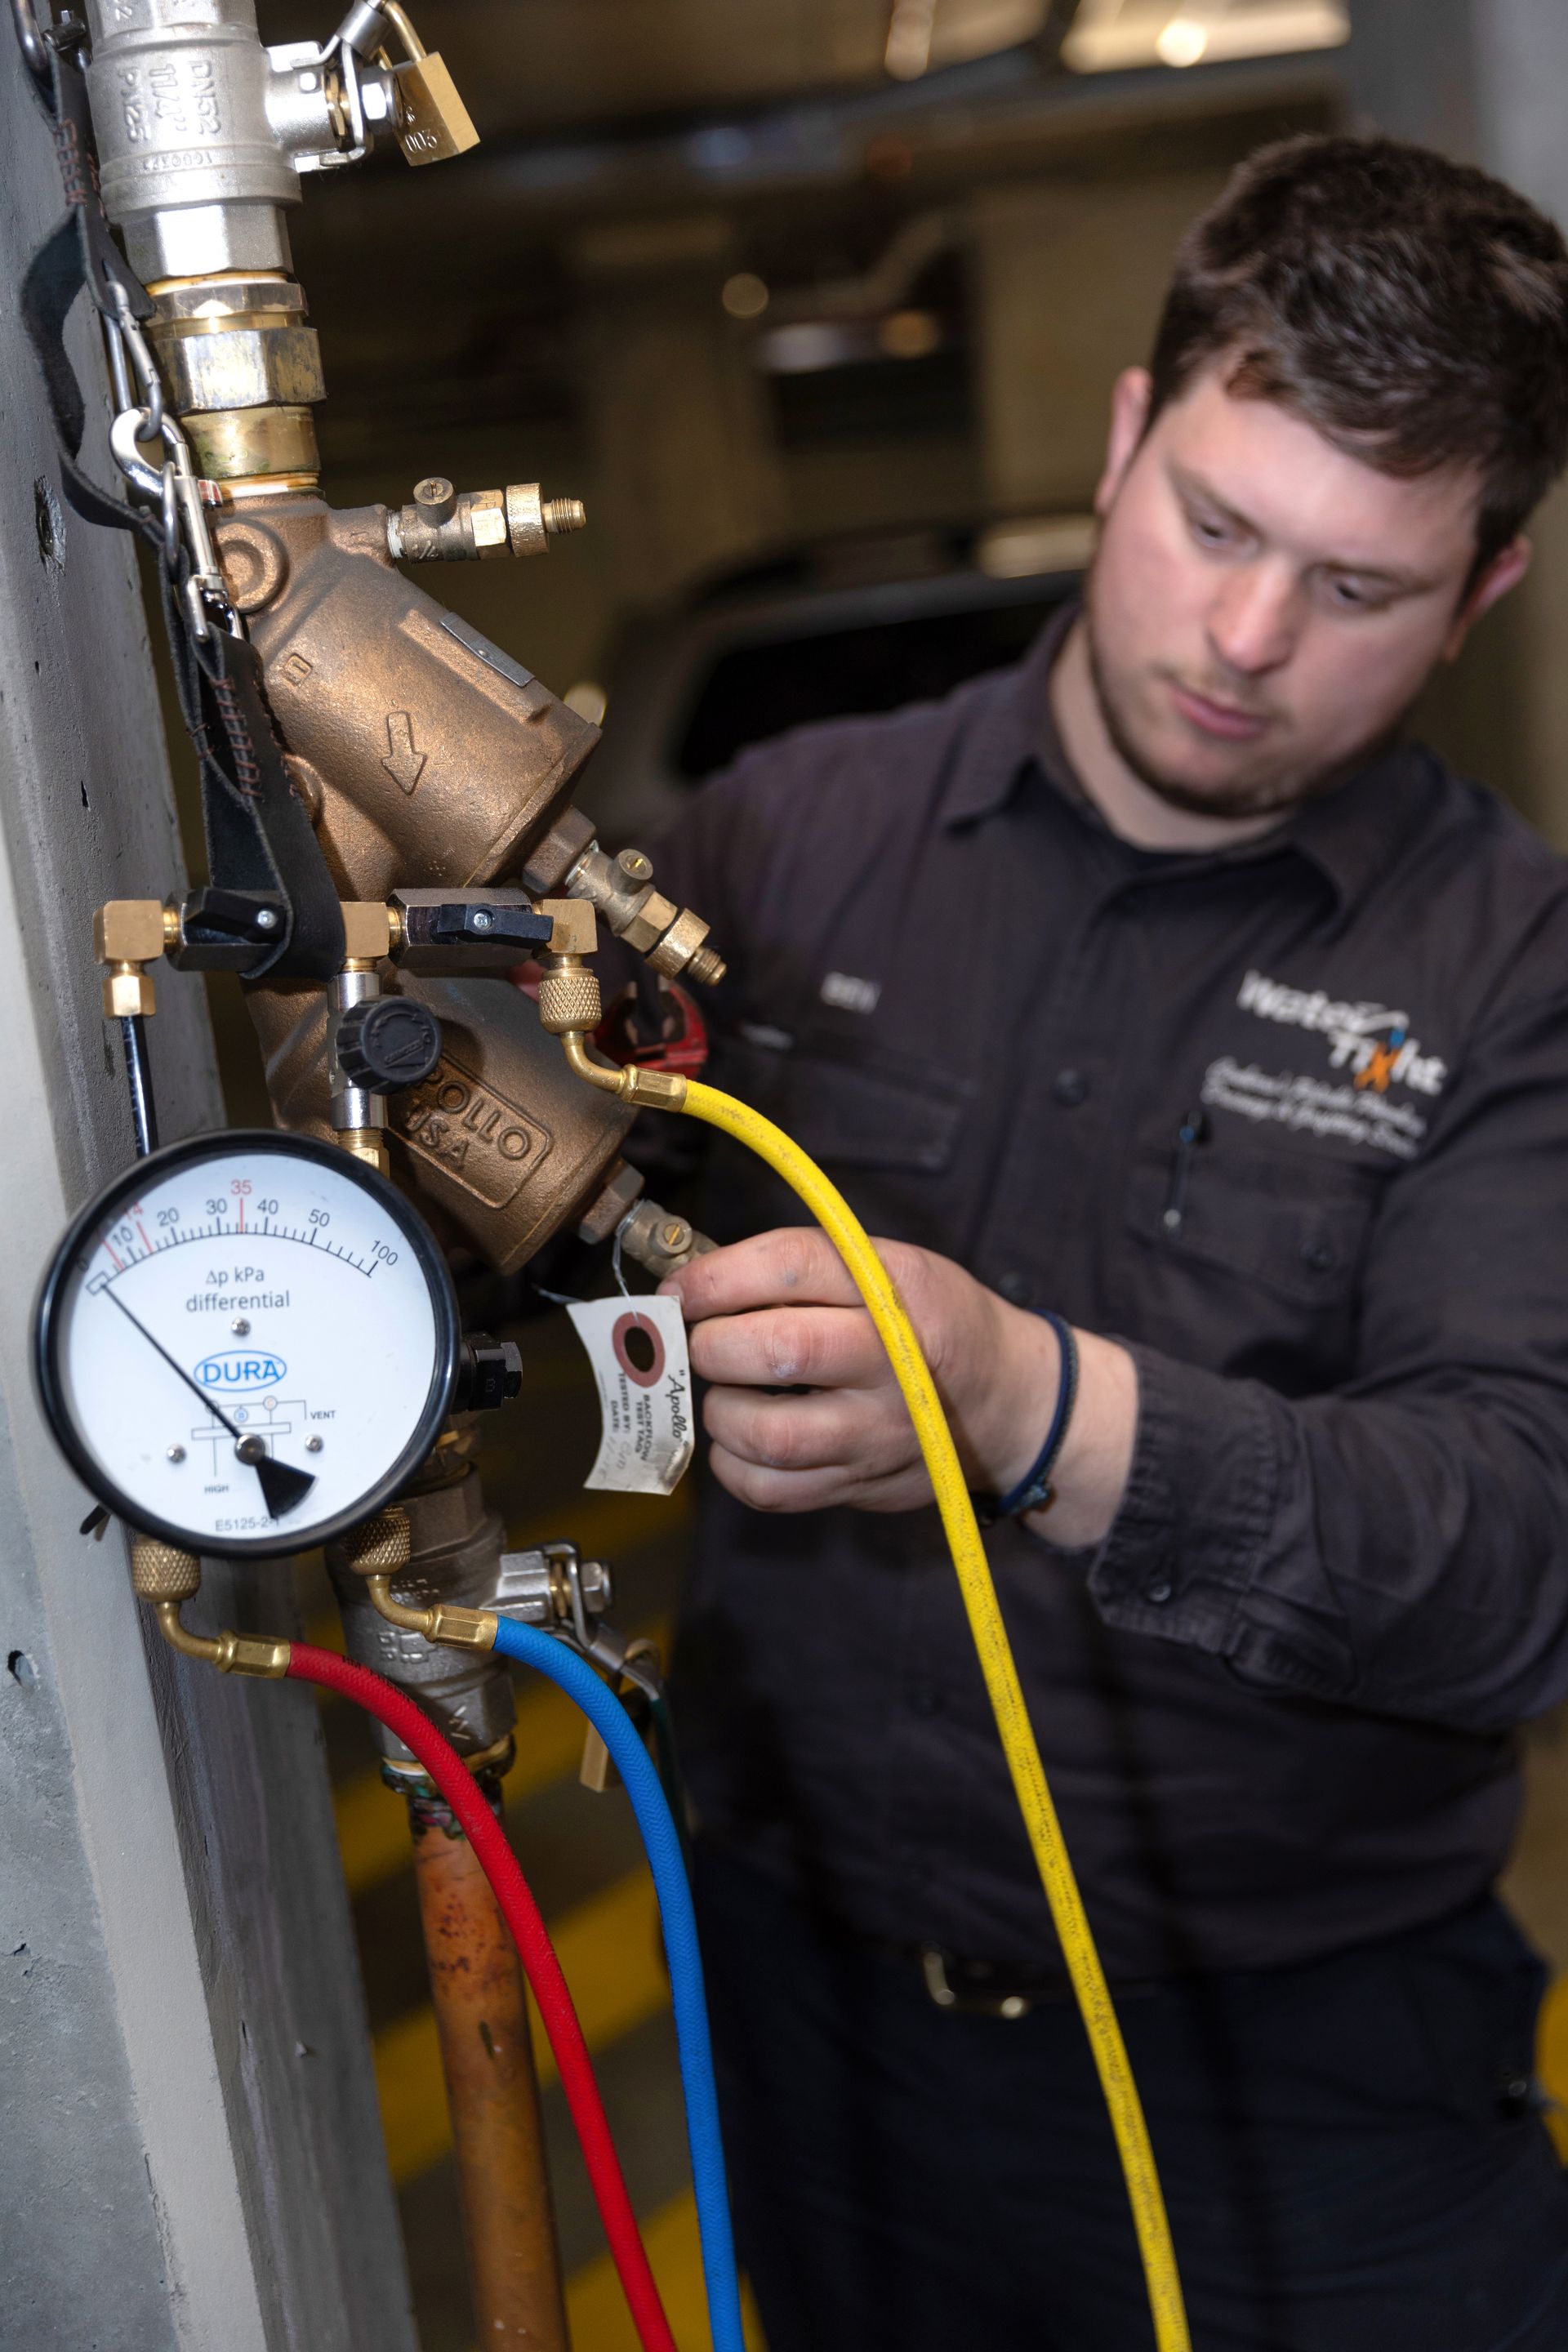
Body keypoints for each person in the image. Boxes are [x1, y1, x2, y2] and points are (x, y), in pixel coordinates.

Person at [645, 136, 1568, 2349]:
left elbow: (1515, 1549)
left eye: (1357, 588)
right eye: (1217, 526)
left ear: (1490, 590)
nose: (1248, 639)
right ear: (1131, 434)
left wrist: (1027, 1403)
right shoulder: (787, 841)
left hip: (1312, 2091)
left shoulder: (1514, 973)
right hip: (813, 2022)